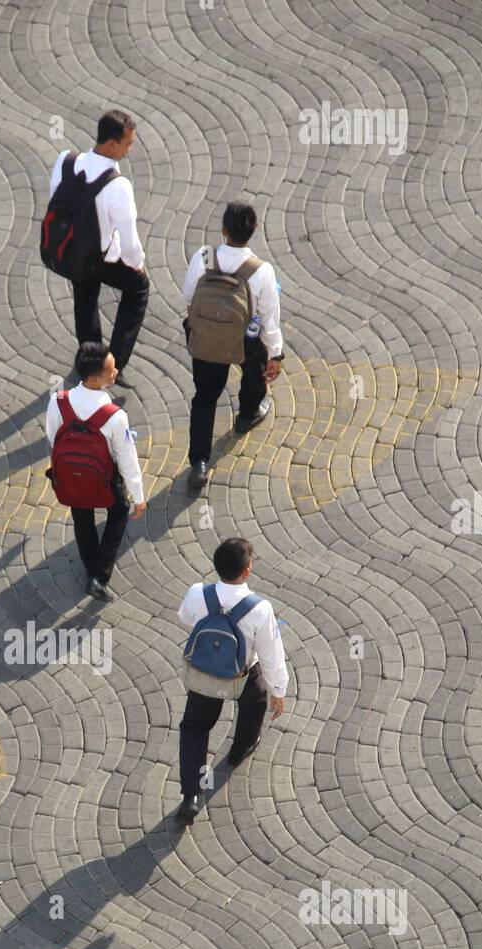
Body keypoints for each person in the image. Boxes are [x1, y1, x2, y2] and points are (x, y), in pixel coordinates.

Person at [175, 537, 287, 825]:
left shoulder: (198, 593)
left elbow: (186, 618)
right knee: (256, 702)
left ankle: (191, 795)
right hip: (242, 673)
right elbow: (271, 654)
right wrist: (278, 690)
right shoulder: (260, 608)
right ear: (247, 571)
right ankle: (241, 748)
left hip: (205, 675)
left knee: (195, 728)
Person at [182, 201, 285, 486]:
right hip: (245, 338)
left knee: (205, 397)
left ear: (223, 230)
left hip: (207, 339)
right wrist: (275, 355)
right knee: (254, 371)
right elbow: (269, 319)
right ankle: (248, 413)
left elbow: (188, 295)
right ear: (254, 230)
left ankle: (200, 463)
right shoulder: (261, 271)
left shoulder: (203, 256)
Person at [48, 110, 148, 384]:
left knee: (85, 295)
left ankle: (91, 358)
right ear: (112, 144)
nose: (130, 149)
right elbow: (129, 243)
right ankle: (113, 363)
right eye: (128, 144)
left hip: (68, 250)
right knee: (138, 289)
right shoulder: (118, 186)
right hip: (100, 257)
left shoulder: (65, 161)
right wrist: (137, 266)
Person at [45, 341, 146, 600]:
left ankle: (91, 567)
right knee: (119, 511)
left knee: (82, 516)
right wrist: (138, 494)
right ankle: (99, 576)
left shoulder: (58, 402)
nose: (116, 372)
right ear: (93, 379)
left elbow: (53, 438)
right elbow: (126, 458)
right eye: (111, 370)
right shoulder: (114, 416)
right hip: (105, 479)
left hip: (71, 475)